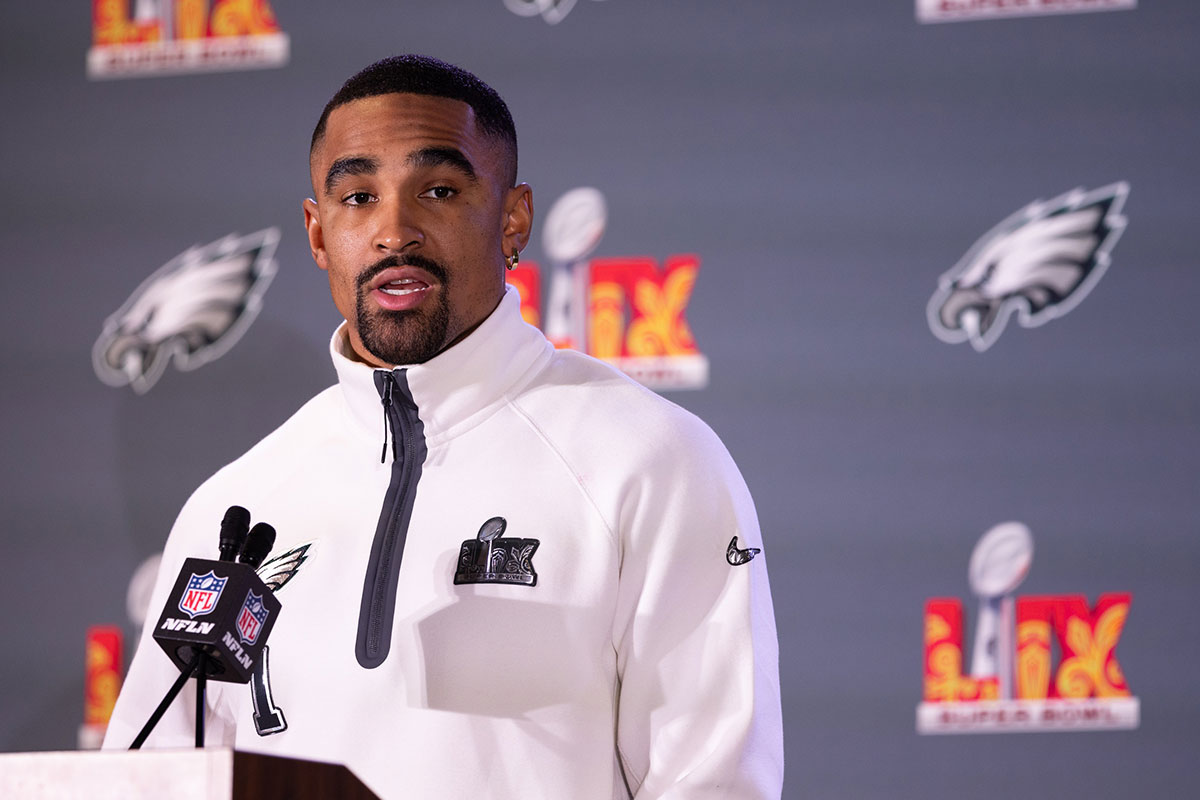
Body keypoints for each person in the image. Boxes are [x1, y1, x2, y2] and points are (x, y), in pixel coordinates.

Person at [105, 54, 783, 799]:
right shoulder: (237, 509)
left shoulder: (650, 460)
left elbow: (713, 783)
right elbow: (151, 777)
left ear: (513, 218)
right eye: (358, 196)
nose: (395, 230)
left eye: (438, 190)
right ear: (318, 234)